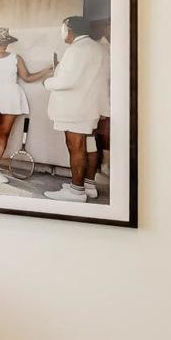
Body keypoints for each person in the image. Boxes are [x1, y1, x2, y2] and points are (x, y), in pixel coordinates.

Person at [0, 28, 52, 183]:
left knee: (4, 133)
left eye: (7, 42)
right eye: (2, 42)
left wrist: (47, 70)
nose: (5, 45)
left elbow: (27, 77)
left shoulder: (15, 57)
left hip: (12, 97)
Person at [43, 15, 109, 202]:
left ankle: (76, 192)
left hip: (75, 109)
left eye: (62, 29)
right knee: (90, 145)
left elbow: (67, 81)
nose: (62, 33)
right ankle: (88, 186)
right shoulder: (99, 48)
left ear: (69, 30)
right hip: (92, 108)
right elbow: (103, 80)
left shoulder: (77, 49)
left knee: (76, 147)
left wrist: (47, 82)